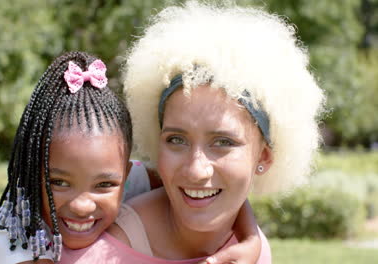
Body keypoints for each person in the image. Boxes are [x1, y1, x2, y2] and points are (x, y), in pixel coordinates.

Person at [62, 1, 325, 263]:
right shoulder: (96, 256)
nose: (196, 171)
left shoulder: (252, 252)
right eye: (176, 140)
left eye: (223, 142)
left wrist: (251, 239)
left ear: (264, 158)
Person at [0, 51, 263, 264]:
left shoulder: (136, 179)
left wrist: (251, 239)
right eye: (59, 182)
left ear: (126, 175)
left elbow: (210, 187)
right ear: (34, 174)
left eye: (104, 185)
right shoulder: (16, 237)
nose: (81, 205)